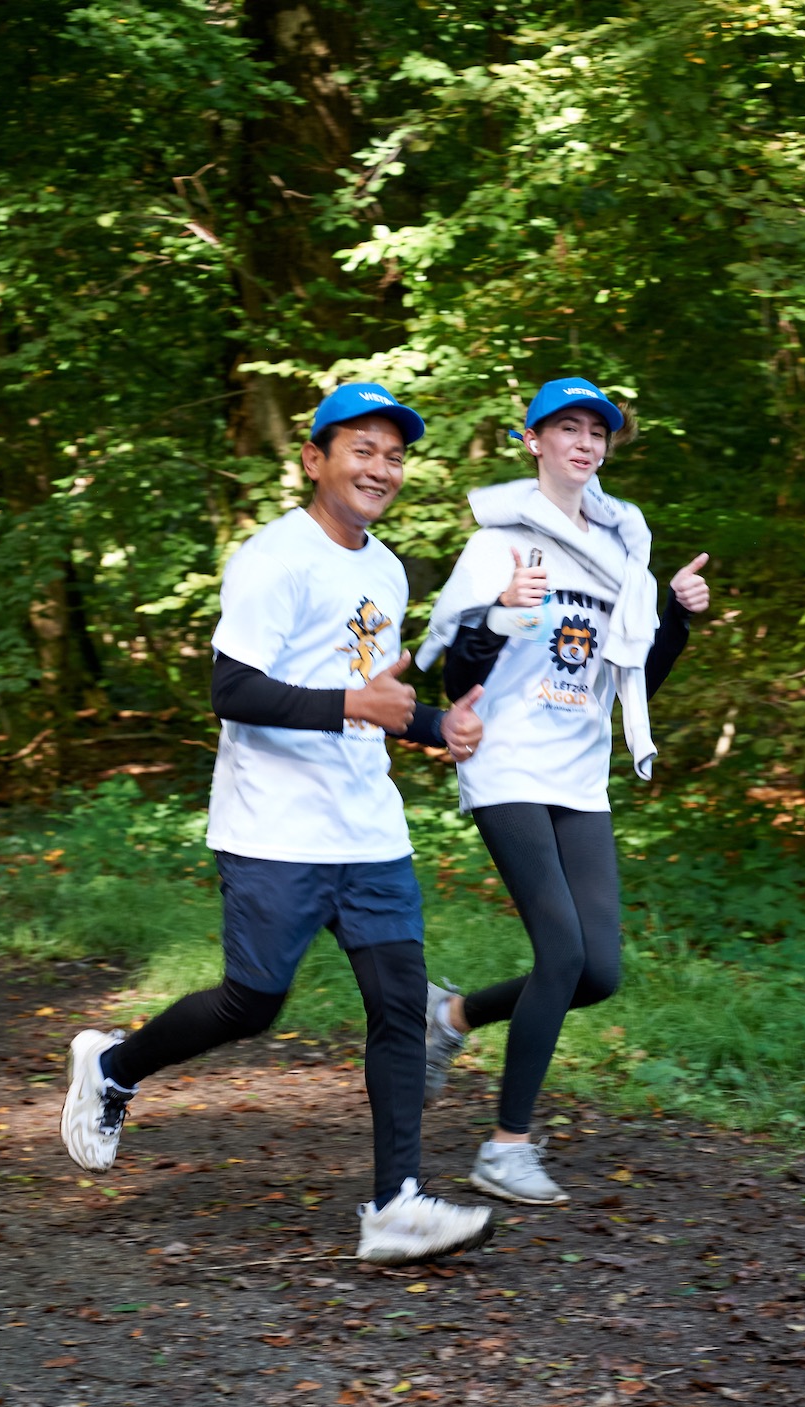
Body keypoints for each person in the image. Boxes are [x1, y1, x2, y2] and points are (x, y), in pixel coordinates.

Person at [60, 382, 494, 1265]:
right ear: (314, 459)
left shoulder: (387, 569)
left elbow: (369, 696)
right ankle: (112, 1068)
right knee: (251, 1004)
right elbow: (233, 690)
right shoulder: (274, 558)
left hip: (367, 827)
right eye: (362, 450)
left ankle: (396, 1206)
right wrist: (356, 704)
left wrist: (434, 726)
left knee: (399, 1006)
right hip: (273, 828)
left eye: (394, 456)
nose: (381, 469)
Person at [415, 377, 710, 1205]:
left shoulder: (620, 551)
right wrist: (500, 612)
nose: (584, 443)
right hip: (507, 760)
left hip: (580, 772)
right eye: (567, 428)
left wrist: (677, 616)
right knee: (563, 954)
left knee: (599, 971)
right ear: (532, 440)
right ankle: (505, 1148)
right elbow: (457, 677)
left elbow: (634, 678)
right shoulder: (497, 545)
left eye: (597, 432)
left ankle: (450, 1019)